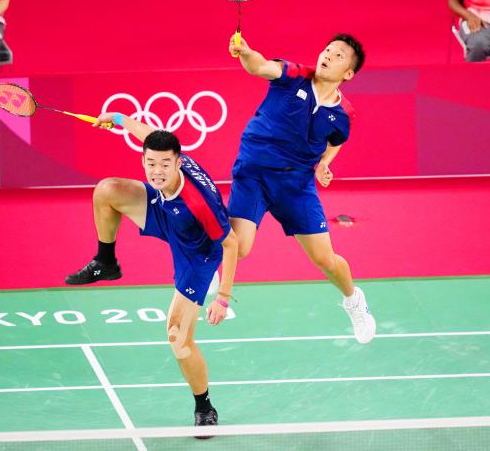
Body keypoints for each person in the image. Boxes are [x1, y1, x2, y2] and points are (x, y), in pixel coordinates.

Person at [65, 113, 238, 434]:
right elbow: (144, 131)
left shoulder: (200, 204)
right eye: (151, 163)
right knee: (107, 190)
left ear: (178, 162)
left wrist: (224, 299)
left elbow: (231, 244)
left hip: (197, 252)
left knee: (177, 336)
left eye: (164, 165)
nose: (156, 170)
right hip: (163, 210)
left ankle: (204, 405)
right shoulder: (164, 159)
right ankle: (106, 261)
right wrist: (116, 118)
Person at [226, 33, 376, 344]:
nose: (328, 56)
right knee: (238, 247)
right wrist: (245, 52)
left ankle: (354, 300)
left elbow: (335, 142)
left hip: (296, 184)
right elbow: (261, 67)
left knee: (324, 259)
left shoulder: (343, 114)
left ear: (348, 73)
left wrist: (323, 164)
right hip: (254, 172)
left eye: (338, 56)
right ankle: (207, 269)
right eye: (327, 49)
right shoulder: (293, 74)